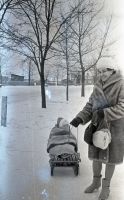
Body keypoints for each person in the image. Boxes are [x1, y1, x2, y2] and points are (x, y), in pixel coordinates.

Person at [70, 61, 124, 200]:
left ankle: (106, 188)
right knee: (96, 156)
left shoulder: (121, 84)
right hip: (97, 125)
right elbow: (90, 105)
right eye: (99, 72)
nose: (101, 74)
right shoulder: (98, 85)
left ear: (112, 70)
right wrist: (79, 118)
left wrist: (105, 113)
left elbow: (122, 107)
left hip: (114, 128)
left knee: (111, 158)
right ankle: (95, 182)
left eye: (104, 71)